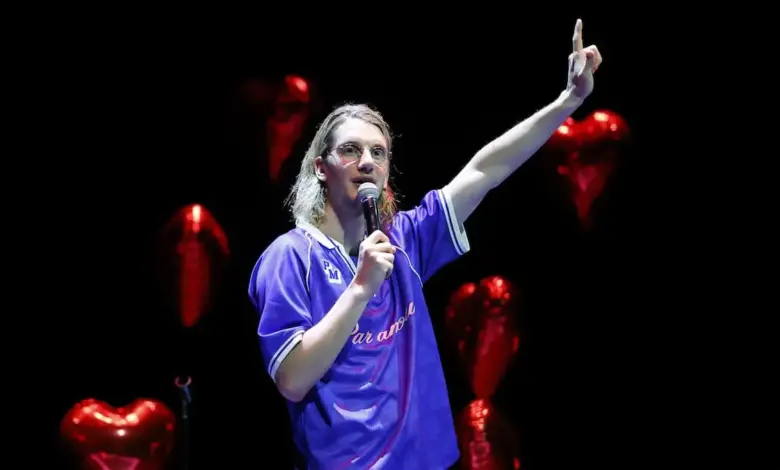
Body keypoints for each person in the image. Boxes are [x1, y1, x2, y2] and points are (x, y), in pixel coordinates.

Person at [248, 19, 602, 470]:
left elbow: (486, 170)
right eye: (351, 150)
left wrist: (568, 101)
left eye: (378, 153)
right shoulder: (289, 257)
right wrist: (360, 289)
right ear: (322, 167)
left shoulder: (407, 239)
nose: (367, 162)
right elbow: (292, 379)